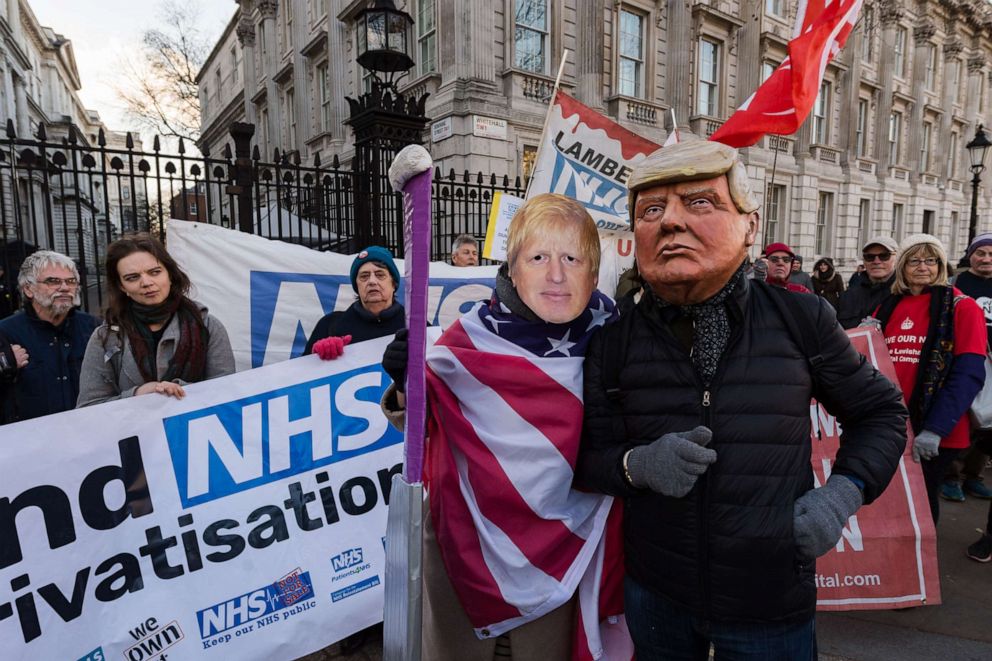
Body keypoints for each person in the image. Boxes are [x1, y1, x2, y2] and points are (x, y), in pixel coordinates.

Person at [575, 138, 907, 660]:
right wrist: (636, 465)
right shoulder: (613, 341)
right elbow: (587, 459)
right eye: (651, 210)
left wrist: (843, 494)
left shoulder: (802, 319)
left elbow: (882, 412)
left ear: (750, 226)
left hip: (769, 599)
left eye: (700, 202)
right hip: (656, 595)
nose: (670, 223)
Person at [376, 193, 618, 660]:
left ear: (592, 269)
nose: (555, 274)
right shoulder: (468, 338)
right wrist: (405, 383)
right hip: (465, 544)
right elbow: (418, 426)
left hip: (567, 543)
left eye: (572, 258)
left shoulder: (613, 332)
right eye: (539, 257)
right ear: (512, 265)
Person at [868, 234, 986, 525]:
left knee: (919, 504)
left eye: (931, 260)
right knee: (891, 501)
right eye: (915, 260)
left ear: (941, 264)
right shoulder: (888, 305)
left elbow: (969, 373)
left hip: (935, 430)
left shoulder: (962, 306)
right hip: (893, 424)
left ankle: (919, 566)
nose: (923, 267)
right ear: (903, 267)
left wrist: (935, 429)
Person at [77, 233, 235, 406]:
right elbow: (89, 407)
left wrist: (178, 392)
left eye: (155, 272)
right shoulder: (105, 337)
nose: (146, 282)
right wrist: (137, 394)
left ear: (170, 274)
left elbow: (227, 396)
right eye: (132, 277)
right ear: (122, 286)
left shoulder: (208, 326)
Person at [0, 250, 100, 422]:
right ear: (28, 289)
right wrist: (4, 365)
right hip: (30, 441)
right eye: (53, 281)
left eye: (71, 281)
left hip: (88, 433)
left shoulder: (94, 328)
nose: (64, 287)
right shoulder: (6, 332)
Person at [941, 233, 992, 502]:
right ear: (971, 254)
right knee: (959, 418)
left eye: (991, 254)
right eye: (981, 253)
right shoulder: (956, 282)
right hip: (962, 360)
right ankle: (951, 477)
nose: (986, 259)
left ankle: (974, 476)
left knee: (988, 422)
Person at [303, 246, 405, 357]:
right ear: (357, 285)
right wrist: (315, 357)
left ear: (393, 283)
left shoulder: (416, 326)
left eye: (380, 275)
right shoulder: (329, 326)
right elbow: (302, 371)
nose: (372, 281)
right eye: (364, 276)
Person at [837, 236, 899, 329]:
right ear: (864, 261)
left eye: (884, 256)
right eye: (869, 257)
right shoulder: (848, 296)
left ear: (897, 258)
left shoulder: (905, 294)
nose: (876, 261)